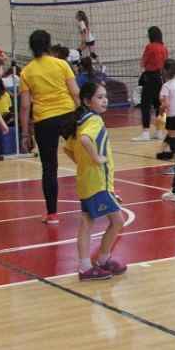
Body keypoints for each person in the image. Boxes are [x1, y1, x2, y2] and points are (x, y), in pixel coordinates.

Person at [59, 81, 126, 280]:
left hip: (86, 180)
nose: (105, 100)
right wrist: (96, 159)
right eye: (99, 97)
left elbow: (67, 149)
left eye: (105, 96)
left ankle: (86, 266)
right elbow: (85, 140)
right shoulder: (94, 121)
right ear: (87, 101)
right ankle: (102, 259)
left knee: (86, 223)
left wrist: (83, 163)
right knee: (118, 221)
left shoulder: (81, 121)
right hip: (98, 182)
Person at [19, 29, 79, 224]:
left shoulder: (27, 71)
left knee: (49, 168)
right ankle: (109, 190)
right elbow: (75, 92)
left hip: (44, 121)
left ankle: (52, 214)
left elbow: (25, 106)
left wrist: (25, 134)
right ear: (49, 43)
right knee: (86, 156)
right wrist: (85, 115)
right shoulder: (61, 64)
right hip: (67, 115)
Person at [133, 26, 168, 142]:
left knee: (145, 104)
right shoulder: (164, 48)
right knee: (159, 105)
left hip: (150, 78)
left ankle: (145, 133)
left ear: (151, 35)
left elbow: (142, 63)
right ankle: (159, 131)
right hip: (161, 78)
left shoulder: (150, 46)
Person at [156, 59, 175, 162]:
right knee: (174, 135)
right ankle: (161, 152)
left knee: (174, 139)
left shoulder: (166, 85)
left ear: (165, 70)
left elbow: (166, 104)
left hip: (173, 115)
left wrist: (160, 112)